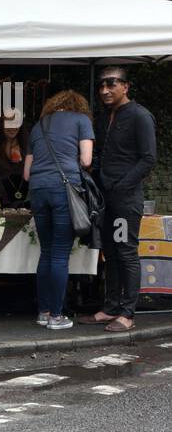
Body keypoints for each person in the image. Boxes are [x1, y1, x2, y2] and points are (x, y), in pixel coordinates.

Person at [79, 67, 157, 331]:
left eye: (111, 84)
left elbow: (148, 159)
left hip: (125, 200)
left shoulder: (140, 116)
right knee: (110, 253)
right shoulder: (104, 117)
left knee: (125, 252)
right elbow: (101, 153)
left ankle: (127, 313)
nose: (105, 90)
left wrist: (122, 185)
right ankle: (110, 307)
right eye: (101, 85)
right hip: (105, 199)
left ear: (126, 86)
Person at [23, 90, 94, 331]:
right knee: (60, 254)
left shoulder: (38, 126)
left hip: (38, 189)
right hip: (64, 189)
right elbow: (86, 160)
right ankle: (56, 315)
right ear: (78, 106)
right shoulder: (81, 121)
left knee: (47, 251)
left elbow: (26, 173)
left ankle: (43, 312)